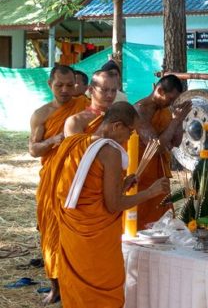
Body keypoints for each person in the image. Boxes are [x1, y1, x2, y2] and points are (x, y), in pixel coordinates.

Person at [55, 102, 170, 308]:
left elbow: (84, 190)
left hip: (74, 231)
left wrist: (123, 184)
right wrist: (150, 192)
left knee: (79, 293)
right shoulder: (110, 151)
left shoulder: (76, 142)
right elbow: (114, 205)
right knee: (103, 294)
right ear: (117, 126)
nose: (130, 137)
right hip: (96, 238)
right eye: (130, 131)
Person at [29, 65, 88, 304]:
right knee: (51, 231)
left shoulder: (85, 108)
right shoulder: (41, 114)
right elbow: (33, 149)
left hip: (80, 179)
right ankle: (56, 287)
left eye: (70, 85)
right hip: (52, 180)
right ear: (49, 84)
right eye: (59, 85)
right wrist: (54, 140)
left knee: (77, 233)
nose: (65, 90)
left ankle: (78, 284)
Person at [133, 74, 191, 229]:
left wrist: (178, 121)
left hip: (160, 174)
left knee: (162, 221)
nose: (171, 104)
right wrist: (175, 121)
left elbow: (176, 142)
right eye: (170, 99)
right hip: (141, 173)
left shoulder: (165, 111)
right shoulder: (140, 110)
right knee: (142, 222)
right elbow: (156, 147)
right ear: (159, 91)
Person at [64, 69, 119, 136]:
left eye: (113, 90)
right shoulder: (76, 121)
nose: (110, 95)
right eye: (104, 90)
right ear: (90, 90)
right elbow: (80, 146)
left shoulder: (120, 118)